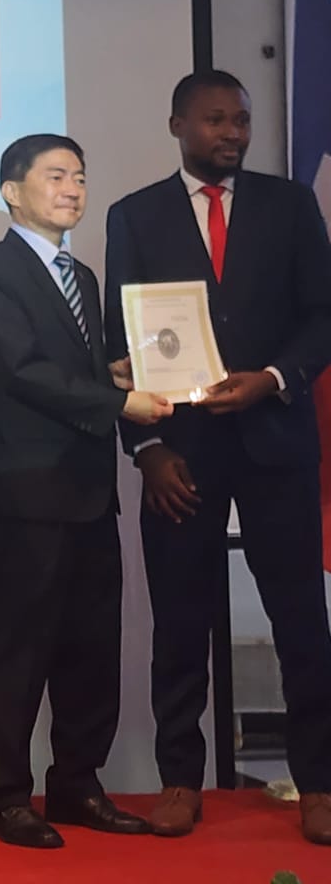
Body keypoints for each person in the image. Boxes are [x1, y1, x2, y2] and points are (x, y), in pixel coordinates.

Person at [105, 69, 331, 843]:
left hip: (276, 444)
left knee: (300, 621)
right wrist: (147, 448)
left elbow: (322, 316)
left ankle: (319, 782)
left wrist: (272, 378)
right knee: (179, 623)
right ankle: (179, 779)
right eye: (215, 120)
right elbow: (121, 340)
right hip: (181, 453)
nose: (232, 133)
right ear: (177, 125)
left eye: (241, 120)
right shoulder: (134, 215)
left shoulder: (290, 205)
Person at [0, 133, 169, 849]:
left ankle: (77, 783)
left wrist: (118, 378)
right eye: (55, 176)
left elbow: (73, 373)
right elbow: (22, 370)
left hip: (88, 487)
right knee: (17, 649)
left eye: (79, 177)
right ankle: (3, 797)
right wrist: (121, 403)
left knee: (91, 647)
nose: (73, 189)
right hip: (26, 490)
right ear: (12, 191)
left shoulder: (81, 273)